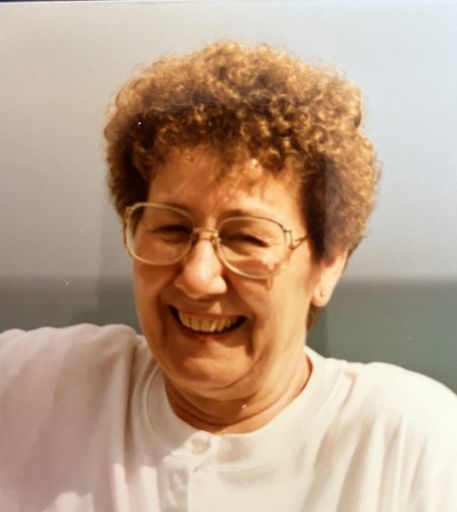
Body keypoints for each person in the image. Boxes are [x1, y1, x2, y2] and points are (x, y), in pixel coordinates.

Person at [0, 40, 456, 512]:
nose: (198, 277)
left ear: (328, 265)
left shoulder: (411, 449)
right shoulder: (30, 387)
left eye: (247, 238)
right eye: (171, 228)